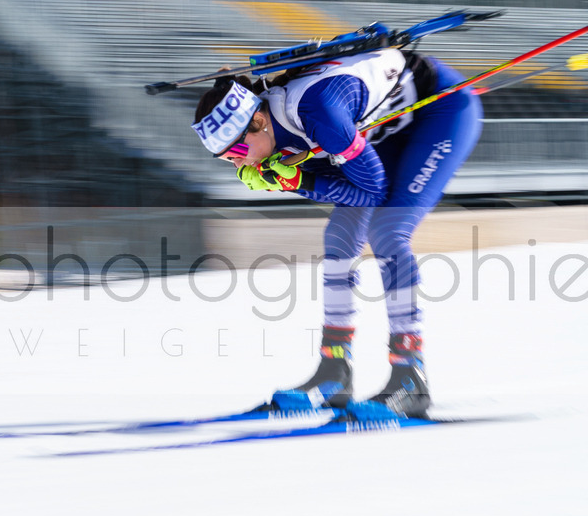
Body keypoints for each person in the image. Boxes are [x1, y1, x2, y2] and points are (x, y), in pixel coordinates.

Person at [192, 48, 482, 417]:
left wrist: (296, 180)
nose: (236, 161)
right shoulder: (274, 127)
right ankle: (334, 372)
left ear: (260, 120)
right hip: (388, 125)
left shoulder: (319, 114)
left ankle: (411, 377)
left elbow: (371, 190)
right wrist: (292, 177)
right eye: (224, 157)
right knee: (340, 236)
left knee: (388, 231)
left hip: (441, 112)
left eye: (235, 149)